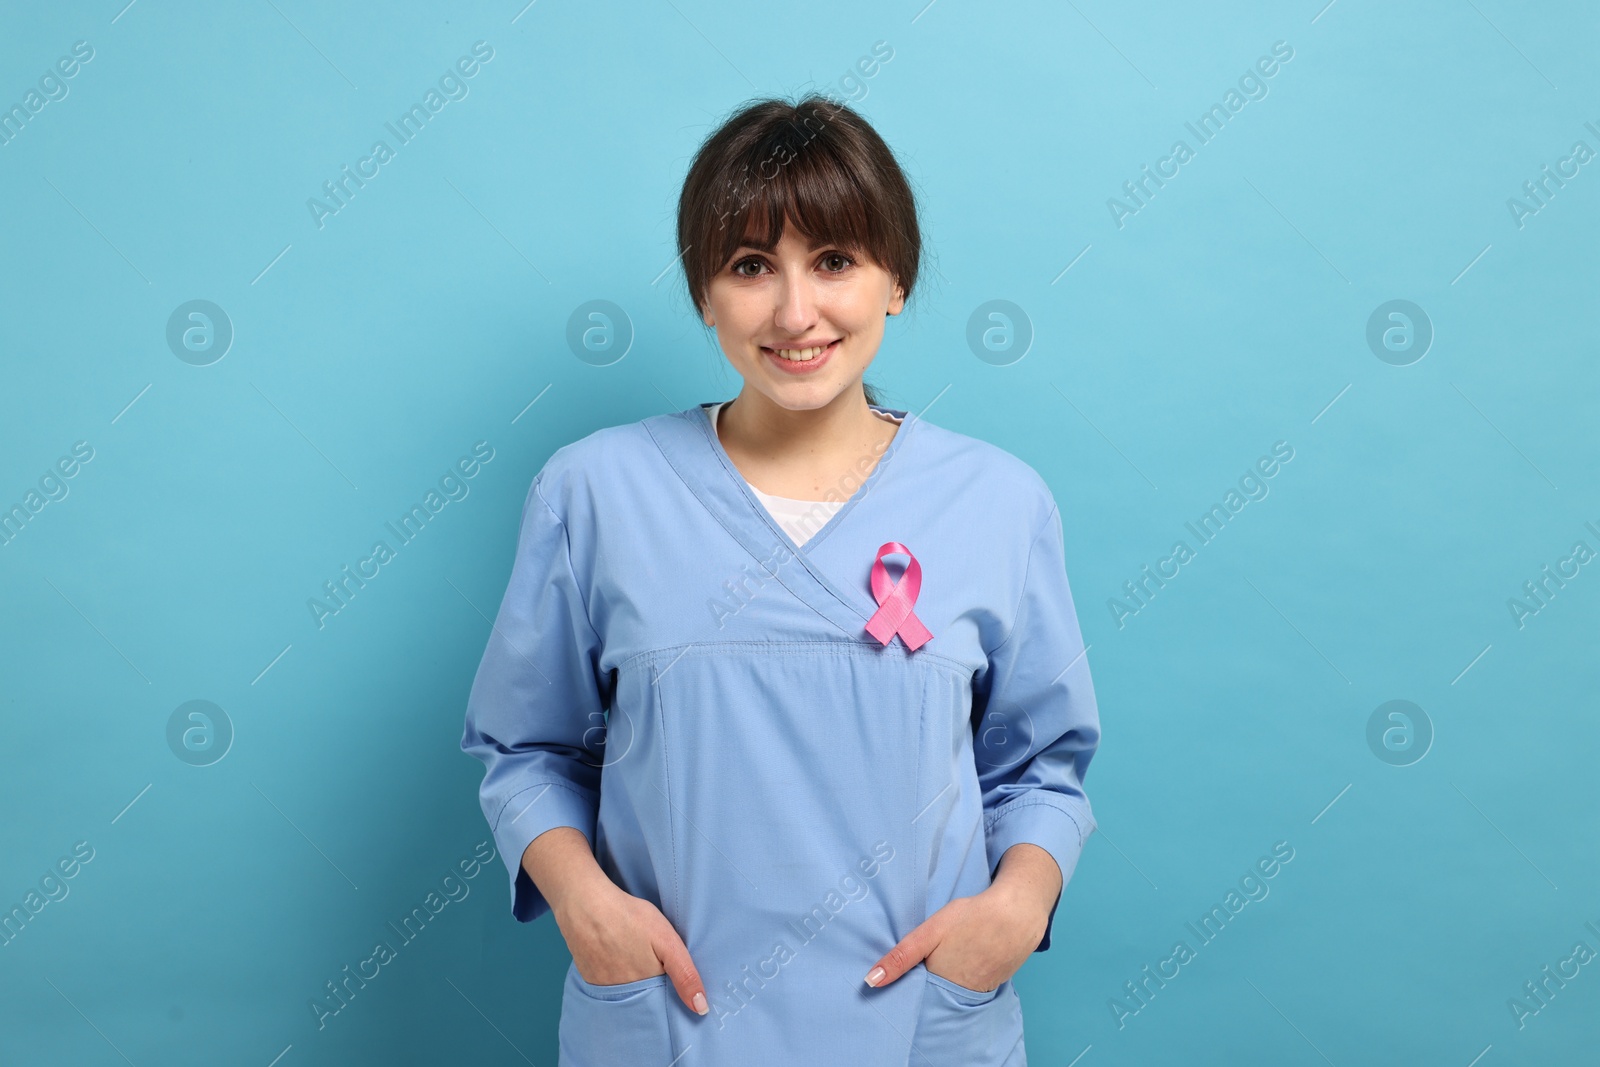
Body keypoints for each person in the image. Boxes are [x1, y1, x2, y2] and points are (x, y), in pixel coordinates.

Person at [461, 93, 1101, 1066]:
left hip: (919, 1029)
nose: (796, 312)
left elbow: (1040, 766)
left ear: (896, 278)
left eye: (835, 260)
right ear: (704, 292)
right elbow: (526, 749)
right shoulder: (593, 491)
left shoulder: (998, 505)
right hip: (668, 1028)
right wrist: (587, 905)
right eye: (751, 266)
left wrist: (1014, 907)